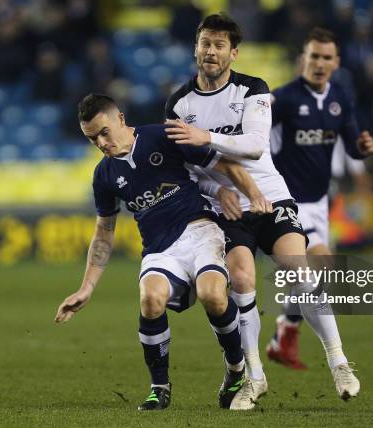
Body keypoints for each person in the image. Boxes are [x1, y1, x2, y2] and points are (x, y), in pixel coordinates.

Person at [164, 14, 367, 406]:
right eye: (205, 43)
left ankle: (338, 361)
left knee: (298, 267)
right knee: (241, 280)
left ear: (233, 53)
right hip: (227, 207)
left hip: (270, 195)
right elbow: (184, 168)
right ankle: (255, 376)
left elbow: (256, 145)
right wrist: (214, 189)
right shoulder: (179, 103)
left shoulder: (253, 89)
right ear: (196, 47)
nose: (211, 51)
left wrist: (205, 136)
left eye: (219, 45)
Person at [54, 93, 273, 411]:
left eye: (104, 132)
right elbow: (104, 232)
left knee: (213, 294)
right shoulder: (104, 176)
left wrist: (253, 194)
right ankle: (159, 387)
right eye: (92, 139)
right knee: (150, 298)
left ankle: (236, 369)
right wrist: (86, 287)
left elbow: (221, 162)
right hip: (160, 250)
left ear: (121, 120)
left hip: (201, 232)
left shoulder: (161, 136)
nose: (101, 143)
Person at [266, 28, 373, 374]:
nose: (319, 63)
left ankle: (285, 333)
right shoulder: (283, 99)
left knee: (314, 278)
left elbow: (352, 141)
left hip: (319, 203)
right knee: (323, 266)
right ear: (304, 59)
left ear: (336, 62)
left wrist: (364, 146)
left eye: (326, 57)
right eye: (314, 56)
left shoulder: (340, 98)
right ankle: (306, 344)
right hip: (288, 203)